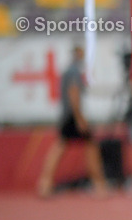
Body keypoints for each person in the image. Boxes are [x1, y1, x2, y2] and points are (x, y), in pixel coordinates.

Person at [37, 45, 109, 197]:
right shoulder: (74, 72)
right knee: (89, 146)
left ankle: (45, 183)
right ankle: (99, 184)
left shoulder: (68, 71)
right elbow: (74, 93)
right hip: (72, 115)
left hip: (67, 115)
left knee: (61, 147)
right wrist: (79, 118)